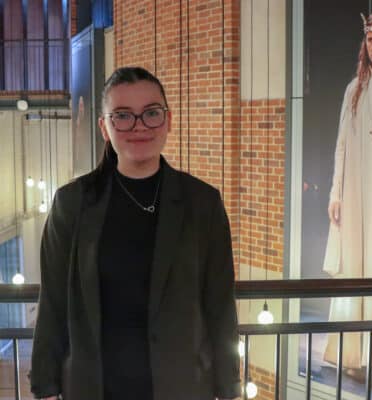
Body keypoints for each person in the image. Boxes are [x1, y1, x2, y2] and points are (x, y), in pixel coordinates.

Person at [30, 66, 241, 400]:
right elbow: (53, 301)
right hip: (94, 387)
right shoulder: (72, 203)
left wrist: (229, 388)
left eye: (151, 113)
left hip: (181, 387)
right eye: (123, 116)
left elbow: (220, 304)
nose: (139, 126)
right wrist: (44, 386)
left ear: (168, 120)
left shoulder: (202, 203)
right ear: (104, 127)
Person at [323, 9, 372, 395]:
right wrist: (336, 192)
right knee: (357, 264)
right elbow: (340, 145)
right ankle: (352, 355)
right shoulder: (353, 90)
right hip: (356, 192)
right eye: (370, 40)